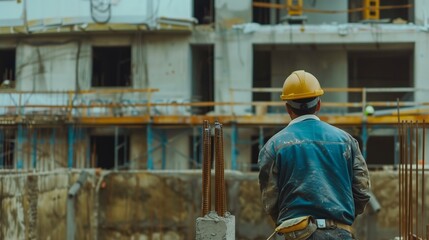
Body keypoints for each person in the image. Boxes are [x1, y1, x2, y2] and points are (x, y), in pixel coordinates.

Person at [258, 70, 371, 240]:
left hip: (295, 235)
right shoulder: (346, 141)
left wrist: (292, 224)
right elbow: (362, 192)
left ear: (288, 107)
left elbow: (271, 200)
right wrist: (339, 220)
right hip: (339, 234)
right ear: (318, 104)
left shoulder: (274, 146)